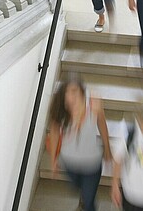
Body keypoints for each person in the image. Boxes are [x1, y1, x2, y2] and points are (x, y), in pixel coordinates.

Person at [47, 75, 111, 211]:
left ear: (82, 91)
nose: (71, 96)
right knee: (78, 187)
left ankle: (87, 200)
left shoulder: (93, 103)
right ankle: (85, 194)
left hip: (91, 164)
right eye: (67, 92)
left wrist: (107, 148)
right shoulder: (60, 109)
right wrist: (53, 158)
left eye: (74, 91)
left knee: (89, 202)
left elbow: (102, 125)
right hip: (69, 163)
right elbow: (53, 133)